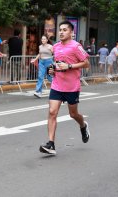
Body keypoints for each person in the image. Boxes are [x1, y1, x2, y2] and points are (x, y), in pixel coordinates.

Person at [39, 21, 90, 155]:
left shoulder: (76, 46)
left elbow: (86, 63)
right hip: (57, 84)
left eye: (65, 30)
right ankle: (51, 144)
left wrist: (70, 66)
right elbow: (55, 63)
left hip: (72, 86)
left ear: (71, 32)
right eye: (60, 30)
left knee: (73, 114)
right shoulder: (55, 47)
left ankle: (83, 126)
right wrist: (52, 69)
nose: (61, 32)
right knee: (52, 112)